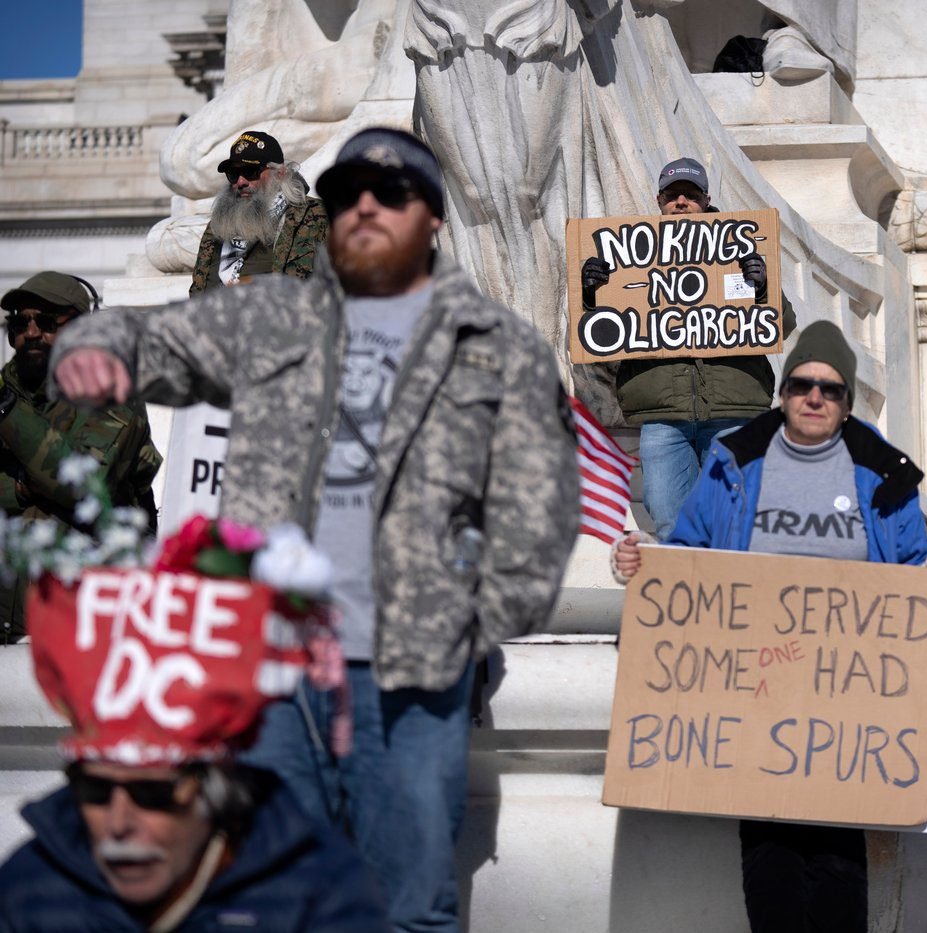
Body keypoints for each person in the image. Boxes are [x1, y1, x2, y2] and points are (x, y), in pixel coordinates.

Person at [50, 127, 580, 933]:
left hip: (409, 676)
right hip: (273, 673)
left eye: (392, 192)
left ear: (433, 219)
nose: (366, 205)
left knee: (410, 904)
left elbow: (542, 507)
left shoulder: (496, 346)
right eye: (347, 194)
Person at [613, 320, 927, 933]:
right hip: (757, 689)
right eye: (802, 384)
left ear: (847, 403)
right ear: (781, 393)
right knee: (769, 859)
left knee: (838, 864)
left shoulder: (883, 471)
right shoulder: (735, 460)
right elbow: (691, 549)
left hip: (849, 702)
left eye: (830, 390)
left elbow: (912, 564)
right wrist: (644, 560)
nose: (814, 397)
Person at [0, 557, 388, 931]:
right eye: (94, 790)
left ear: (216, 793)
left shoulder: (321, 895)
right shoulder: (29, 890)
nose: (118, 825)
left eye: (152, 795)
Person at [582, 156, 797, 540]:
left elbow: (784, 323)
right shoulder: (627, 258)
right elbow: (600, 334)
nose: (681, 202)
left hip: (734, 413)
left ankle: (731, 596)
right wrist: (592, 294)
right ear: (659, 200)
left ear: (707, 199)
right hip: (663, 418)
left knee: (733, 520)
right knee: (668, 521)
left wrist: (762, 287)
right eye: (672, 194)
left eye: (691, 194)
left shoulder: (739, 250)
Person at [0, 272, 161, 645]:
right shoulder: (7, 391)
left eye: (47, 321)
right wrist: (25, 487)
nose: (32, 332)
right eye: (21, 322)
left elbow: (84, 486)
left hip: (86, 622)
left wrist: (7, 414)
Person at [189, 130, 329, 294]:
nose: (241, 182)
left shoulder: (315, 217)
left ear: (280, 173)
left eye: (250, 172)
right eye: (233, 174)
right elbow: (199, 290)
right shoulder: (219, 226)